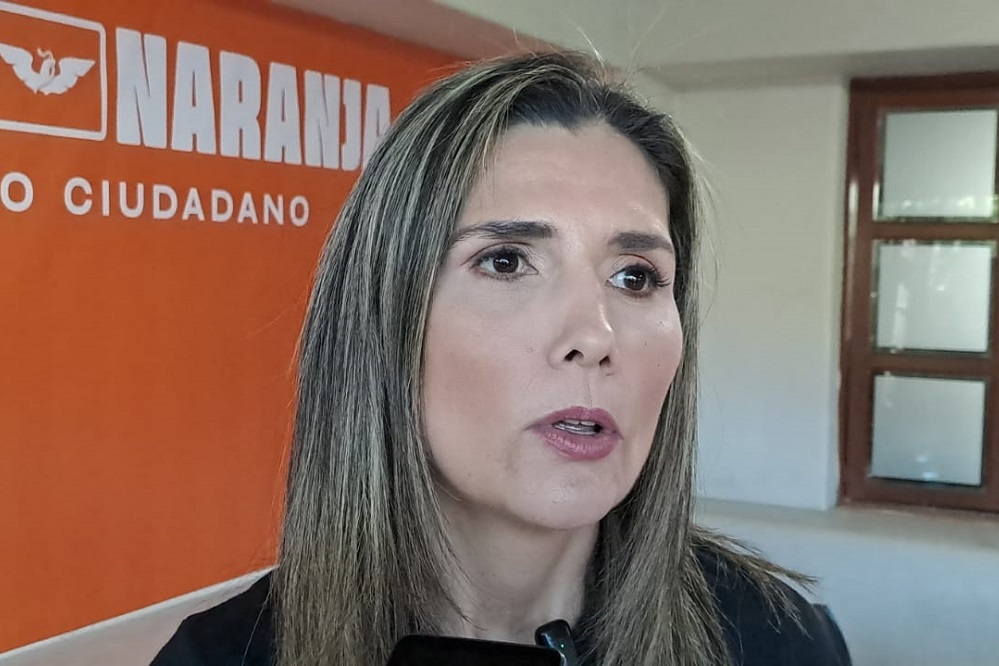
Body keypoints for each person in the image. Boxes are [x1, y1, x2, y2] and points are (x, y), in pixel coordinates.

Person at [151, 51, 851, 666]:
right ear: (386, 319)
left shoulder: (778, 641)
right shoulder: (217, 657)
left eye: (635, 276)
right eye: (507, 261)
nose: (595, 335)